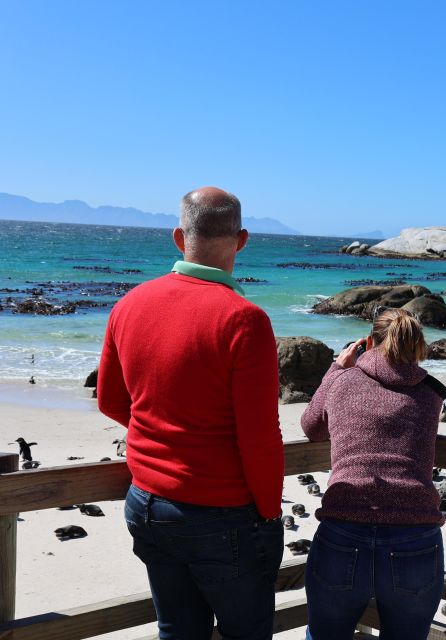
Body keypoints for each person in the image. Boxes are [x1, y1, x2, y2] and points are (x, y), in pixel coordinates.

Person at [97, 187, 284, 640]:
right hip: (222, 511)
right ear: (241, 240)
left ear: (179, 237)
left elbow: (109, 400)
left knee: (178, 631)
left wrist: (165, 435)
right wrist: (270, 512)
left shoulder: (129, 304)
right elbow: (259, 437)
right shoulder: (244, 319)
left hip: (146, 502)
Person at [300, 308, 446, 640]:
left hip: (344, 525)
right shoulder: (431, 392)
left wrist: (337, 368)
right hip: (415, 529)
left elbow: (312, 428)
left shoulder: (343, 380)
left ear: (368, 341)